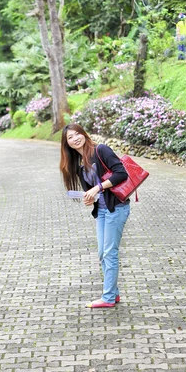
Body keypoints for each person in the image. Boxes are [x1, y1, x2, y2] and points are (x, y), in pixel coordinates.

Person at [60, 123, 130, 309]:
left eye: (77, 134)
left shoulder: (101, 150)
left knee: (109, 253)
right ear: (67, 144)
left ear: (84, 134)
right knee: (102, 253)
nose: (75, 138)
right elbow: (94, 191)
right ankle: (113, 294)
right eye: (70, 138)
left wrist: (98, 188)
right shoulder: (79, 164)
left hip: (117, 208)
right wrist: (90, 197)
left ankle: (107, 298)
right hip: (101, 210)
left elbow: (121, 173)